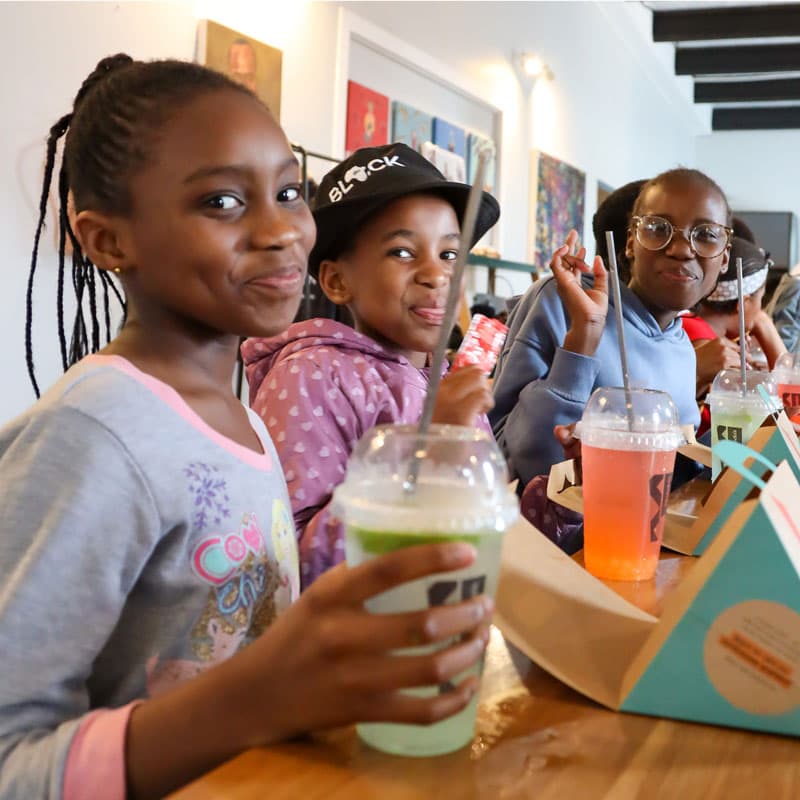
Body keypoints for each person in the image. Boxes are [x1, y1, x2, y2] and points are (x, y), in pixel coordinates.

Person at [1, 57, 494, 799]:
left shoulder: (241, 417)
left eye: (290, 193)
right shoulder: (91, 436)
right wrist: (256, 700)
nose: (281, 231)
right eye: (223, 201)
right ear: (107, 241)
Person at [242, 143, 499, 588]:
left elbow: (488, 527)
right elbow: (294, 566)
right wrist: (426, 450)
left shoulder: (450, 383)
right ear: (337, 280)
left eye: (449, 255)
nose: (436, 275)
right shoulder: (312, 377)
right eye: (402, 252)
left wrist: (565, 494)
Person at [491, 168, 732, 489]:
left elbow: (669, 481)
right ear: (631, 242)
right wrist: (580, 346)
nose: (681, 249)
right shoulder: (564, 301)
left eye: (706, 235)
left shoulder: (682, 348)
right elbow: (508, 456)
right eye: (658, 229)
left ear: (724, 258)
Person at [682, 236, 785, 433]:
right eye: (760, 300)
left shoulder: (689, 325)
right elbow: (788, 407)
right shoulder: (703, 340)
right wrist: (765, 325)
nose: (761, 309)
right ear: (743, 303)